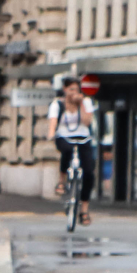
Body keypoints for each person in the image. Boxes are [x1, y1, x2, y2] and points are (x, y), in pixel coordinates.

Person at [51, 78, 95, 226]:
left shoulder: (86, 102)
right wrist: (51, 133)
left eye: (76, 90)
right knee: (67, 150)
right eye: (71, 89)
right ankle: (62, 181)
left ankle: (84, 210)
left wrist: (81, 104)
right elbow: (53, 123)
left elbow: (87, 122)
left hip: (83, 137)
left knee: (89, 172)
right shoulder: (57, 104)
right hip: (64, 137)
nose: (73, 93)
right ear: (64, 89)